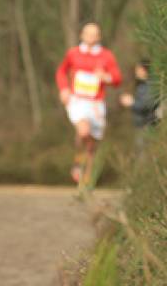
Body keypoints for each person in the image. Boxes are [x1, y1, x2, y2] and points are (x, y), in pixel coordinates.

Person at [55, 23, 122, 185]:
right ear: (82, 35)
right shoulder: (73, 53)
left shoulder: (106, 56)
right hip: (78, 101)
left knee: (93, 141)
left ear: (99, 37)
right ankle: (78, 162)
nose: (91, 37)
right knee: (83, 131)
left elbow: (117, 79)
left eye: (94, 34)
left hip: (96, 103)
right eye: (88, 34)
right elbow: (61, 71)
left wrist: (105, 77)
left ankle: (87, 176)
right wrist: (64, 89)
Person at [119, 59, 161, 150]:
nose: (136, 71)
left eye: (138, 69)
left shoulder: (150, 85)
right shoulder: (142, 85)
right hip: (142, 125)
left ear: (144, 70)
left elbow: (147, 105)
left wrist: (131, 102)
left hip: (147, 126)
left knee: (144, 152)